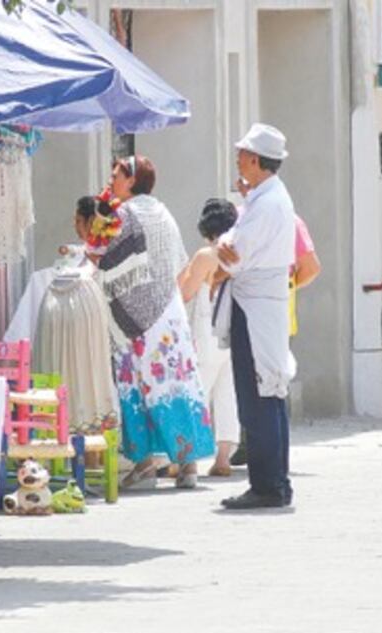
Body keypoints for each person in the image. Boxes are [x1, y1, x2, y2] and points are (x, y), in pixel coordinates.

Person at [92, 155, 215, 490]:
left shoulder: (124, 214)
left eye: (116, 174)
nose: (112, 179)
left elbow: (106, 258)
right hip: (168, 311)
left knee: (133, 385)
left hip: (135, 318)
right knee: (175, 382)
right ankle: (187, 465)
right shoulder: (163, 210)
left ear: (131, 179)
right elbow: (177, 263)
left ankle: (144, 462)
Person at [213, 123, 297, 509]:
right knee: (268, 393)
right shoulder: (267, 197)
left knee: (259, 394)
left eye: (243, 154)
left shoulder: (267, 203)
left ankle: (268, 485)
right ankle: (273, 481)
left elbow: (234, 252)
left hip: (255, 304)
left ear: (257, 160)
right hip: (260, 302)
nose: (238, 159)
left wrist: (223, 247)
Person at [177, 199, 240, 477]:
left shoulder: (205, 255)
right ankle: (223, 457)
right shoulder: (238, 252)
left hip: (207, 327)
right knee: (228, 393)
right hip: (233, 327)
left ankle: (186, 456)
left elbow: (186, 293)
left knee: (197, 390)